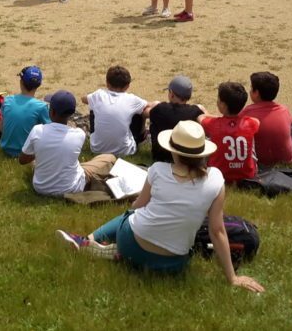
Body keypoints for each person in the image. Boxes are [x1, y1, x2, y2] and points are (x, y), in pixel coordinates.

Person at [56, 120, 264, 292]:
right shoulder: (216, 179)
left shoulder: (157, 170)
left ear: (173, 151)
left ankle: (88, 241)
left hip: (132, 244)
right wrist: (232, 277)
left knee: (130, 214)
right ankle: (114, 252)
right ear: (202, 153)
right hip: (173, 264)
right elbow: (217, 231)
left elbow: (138, 207)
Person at [19, 90, 117, 197]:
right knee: (109, 157)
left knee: (39, 160)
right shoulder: (79, 134)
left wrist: (41, 151)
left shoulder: (37, 130)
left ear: (52, 112)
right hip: (72, 188)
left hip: (41, 187)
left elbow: (23, 160)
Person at [84, 65, 150, 157]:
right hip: (125, 151)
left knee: (93, 106)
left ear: (107, 83)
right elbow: (148, 105)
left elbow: (84, 99)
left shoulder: (98, 95)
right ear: (127, 86)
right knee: (139, 111)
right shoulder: (131, 99)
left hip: (97, 149)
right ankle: (140, 139)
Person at [199, 82, 260, 183]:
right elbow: (257, 121)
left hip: (218, 175)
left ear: (223, 105)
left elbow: (201, 118)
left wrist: (211, 115)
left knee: (207, 139)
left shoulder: (213, 124)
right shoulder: (250, 123)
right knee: (250, 139)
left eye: (219, 99)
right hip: (248, 175)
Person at [241, 71, 292, 166]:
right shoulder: (284, 109)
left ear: (256, 93)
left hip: (261, 162)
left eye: (251, 88)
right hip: (286, 160)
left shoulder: (248, 112)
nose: (249, 90)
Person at [148, 75, 205, 162]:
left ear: (171, 94)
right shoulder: (195, 112)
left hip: (161, 158)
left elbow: (145, 113)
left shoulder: (159, 109)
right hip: (186, 159)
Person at [0, 66, 50, 157]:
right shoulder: (41, 107)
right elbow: (50, 131)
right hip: (27, 154)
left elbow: (1, 127)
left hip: (5, 149)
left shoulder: (7, 100)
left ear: (21, 82)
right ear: (39, 85)